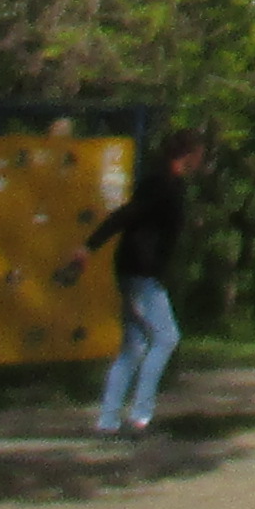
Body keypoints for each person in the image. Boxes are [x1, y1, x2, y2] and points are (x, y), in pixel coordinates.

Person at [79, 134, 205, 438]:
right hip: (140, 272)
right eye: (199, 154)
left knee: (134, 346)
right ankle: (140, 417)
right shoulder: (162, 185)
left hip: (138, 270)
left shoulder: (167, 184)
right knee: (166, 338)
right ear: (186, 155)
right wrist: (89, 245)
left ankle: (108, 421)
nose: (201, 161)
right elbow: (127, 214)